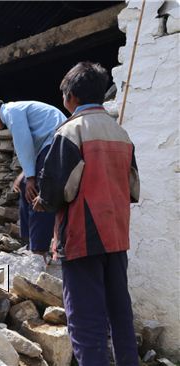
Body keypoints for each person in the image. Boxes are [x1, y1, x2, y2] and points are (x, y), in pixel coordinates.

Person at [33, 62, 140, 366]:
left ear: (70, 97)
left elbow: (57, 191)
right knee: (120, 310)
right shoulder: (121, 134)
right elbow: (132, 187)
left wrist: (42, 201)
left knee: (84, 318)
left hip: (83, 234)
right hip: (117, 234)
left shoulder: (70, 131)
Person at [0, 94, 66, 258]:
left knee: (36, 190)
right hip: (49, 144)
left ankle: (39, 248)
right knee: (24, 185)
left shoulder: (12, 111)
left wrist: (31, 177)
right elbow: (33, 146)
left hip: (58, 142)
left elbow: (24, 143)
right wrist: (26, 174)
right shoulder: (14, 112)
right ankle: (29, 241)